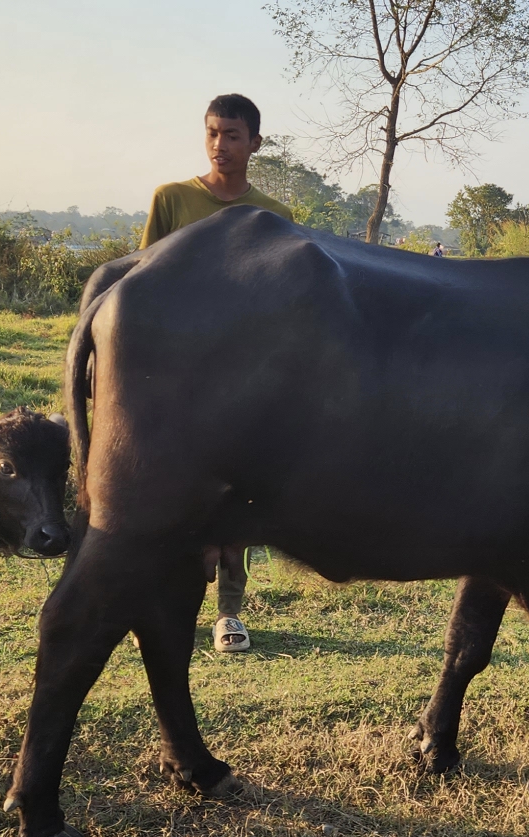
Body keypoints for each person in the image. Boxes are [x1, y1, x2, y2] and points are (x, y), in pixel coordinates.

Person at [138, 93, 295, 652]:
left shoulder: (273, 217)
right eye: (211, 133)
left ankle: (229, 612)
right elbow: (142, 287)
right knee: (171, 491)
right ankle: (163, 600)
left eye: (232, 135)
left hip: (243, 377)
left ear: (255, 143)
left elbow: (280, 302)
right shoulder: (172, 199)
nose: (219, 145)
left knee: (237, 495)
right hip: (177, 373)